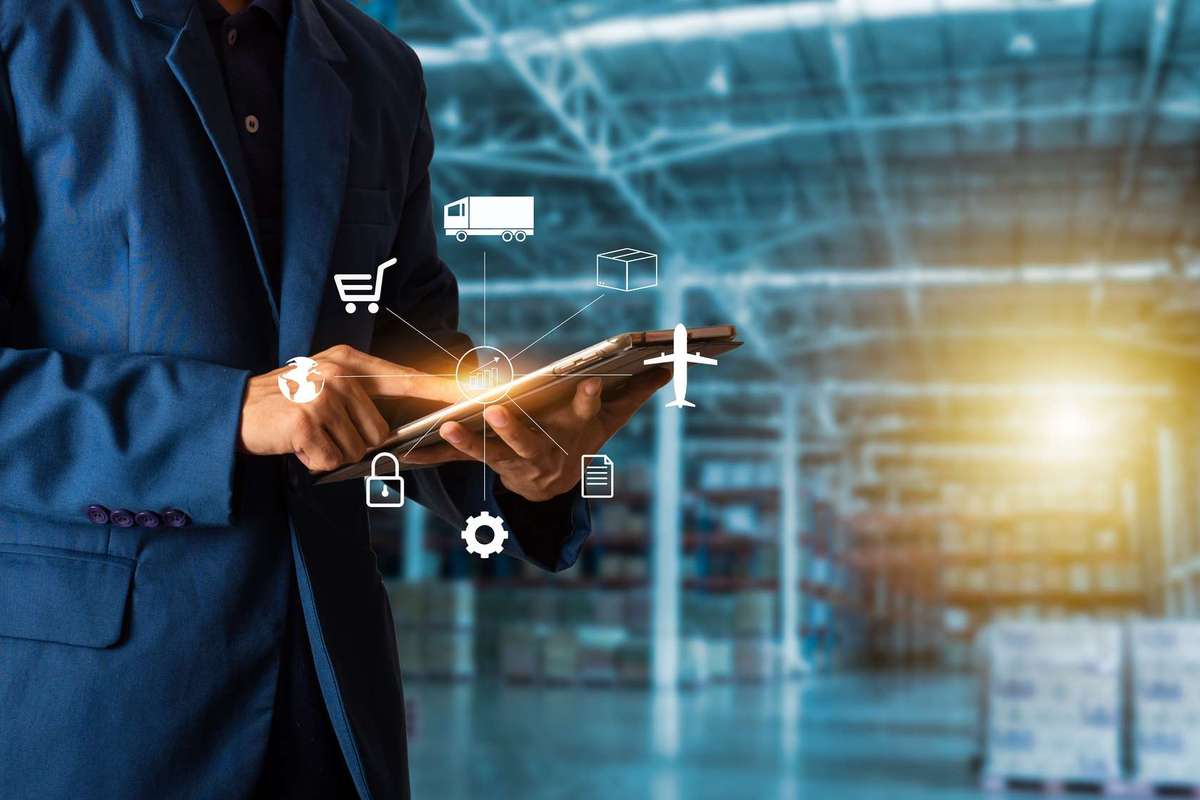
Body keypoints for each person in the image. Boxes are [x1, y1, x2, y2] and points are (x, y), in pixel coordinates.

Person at [0, 1, 667, 797]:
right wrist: (223, 417)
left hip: (330, 698)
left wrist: (515, 458)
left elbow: (404, 351)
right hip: (101, 702)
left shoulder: (381, 70)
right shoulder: (27, 29)